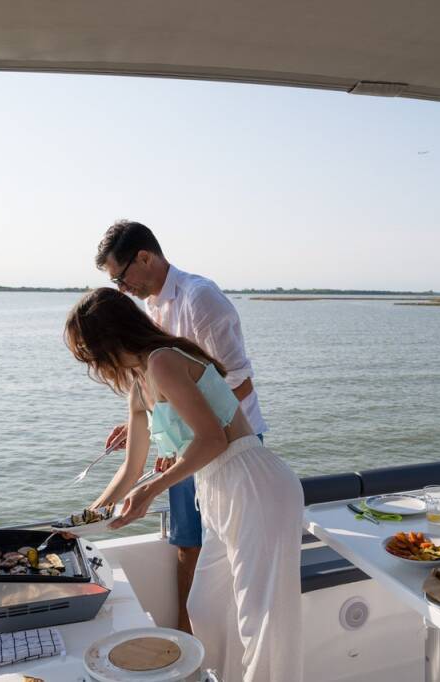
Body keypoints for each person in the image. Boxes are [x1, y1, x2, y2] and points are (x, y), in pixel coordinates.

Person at [66, 288, 303, 682]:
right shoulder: (139, 385)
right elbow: (130, 469)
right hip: (217, 492)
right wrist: (82, 521)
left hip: (252, 482)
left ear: (109, 339)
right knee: (206, 609)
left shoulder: (164, 360)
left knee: (262, 622)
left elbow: (212, 439)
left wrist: (152, 489)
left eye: (91, 355)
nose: (94, 366)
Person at [93, 220, 268, 634]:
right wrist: (151, 423)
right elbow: (172, 391)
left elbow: (238, 383)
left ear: (145, 257)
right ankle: (183, 642)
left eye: (121, 278)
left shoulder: (200, 299)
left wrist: (178, 426)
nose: (122, 289)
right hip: (190, 442)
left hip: (230, 444)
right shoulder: (152, 308)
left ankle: (211, 645)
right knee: (187, 544)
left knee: (226, 556)